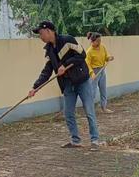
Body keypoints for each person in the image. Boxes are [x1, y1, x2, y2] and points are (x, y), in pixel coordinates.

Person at [28, 20, 100, 150]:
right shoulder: (49, 50)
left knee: (89, 111)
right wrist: (35, 87)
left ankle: (95, 140)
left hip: (82, 81)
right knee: (68, 113)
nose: (40, 37)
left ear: (49, 31)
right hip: (67, 84)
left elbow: (82, 55)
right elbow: (47, 71)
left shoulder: (68, 40)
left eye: (41, 33)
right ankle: (75, 140)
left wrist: (65, 66)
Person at [85, 32, 115, 113]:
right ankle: (90, 109)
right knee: (92, 92)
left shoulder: (102, 47)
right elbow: (87, 63)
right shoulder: (89, 51)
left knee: (103, 90)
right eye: (97, 41)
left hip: (102, 70)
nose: (99, 43)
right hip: (94, 72)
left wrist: (109, 58)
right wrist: (91, 73)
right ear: (92, 41)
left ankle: (104, 107)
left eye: (100, 41)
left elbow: (106, 56)